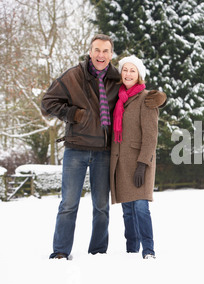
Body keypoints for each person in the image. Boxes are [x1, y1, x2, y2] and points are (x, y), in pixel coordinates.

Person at [41, 34, 121, 260]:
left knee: (102, 206)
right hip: (76, 148)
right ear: (90, 52)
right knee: (68, 203)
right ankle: (60, 251)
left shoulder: (116, 79)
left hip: (104, 151)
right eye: (97, 50)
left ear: (111, 54)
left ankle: (98, 251)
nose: (101, 55)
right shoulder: (74, 75)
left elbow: (135, 95)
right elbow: (47, 102)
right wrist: (72, 114)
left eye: (105, 51)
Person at [110, 55, 166, 259]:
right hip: (120, 163)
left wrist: (142, 164)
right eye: (125, 70)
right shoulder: (117, 98)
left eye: (132, 70)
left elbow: (151, 136)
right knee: (127, 210)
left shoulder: (146, 99)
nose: (128, 74)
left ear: (139, 75)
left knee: (141, 207)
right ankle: (131, 250)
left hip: (140, 162)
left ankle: (148, 250)